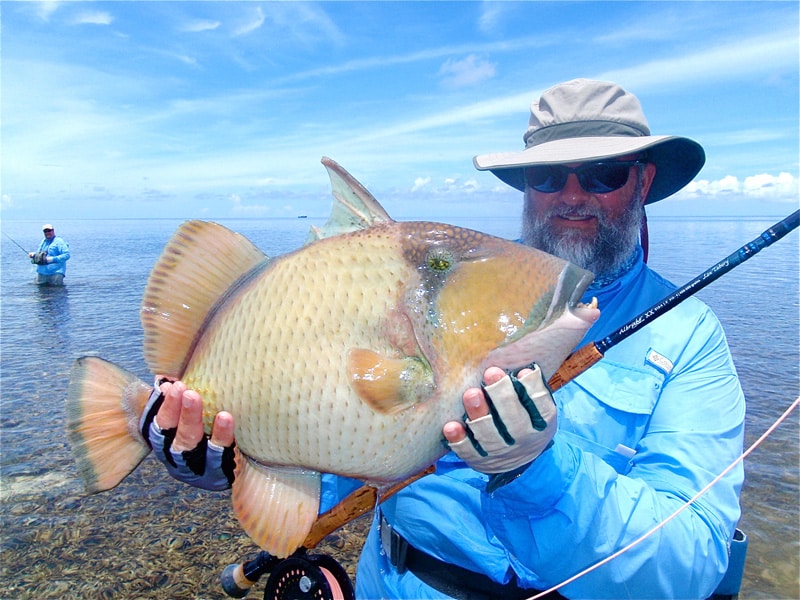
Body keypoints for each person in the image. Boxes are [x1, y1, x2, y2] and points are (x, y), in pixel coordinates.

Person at [141, 79, 745, 599]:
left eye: (603, 173)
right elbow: (336, 443)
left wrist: (538, 470)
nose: (572, 194)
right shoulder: (457, 284)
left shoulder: (687, 335)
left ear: (641, 182)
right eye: (546, 174)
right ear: (525, 186)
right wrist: (223, 455)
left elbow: (689, 566)